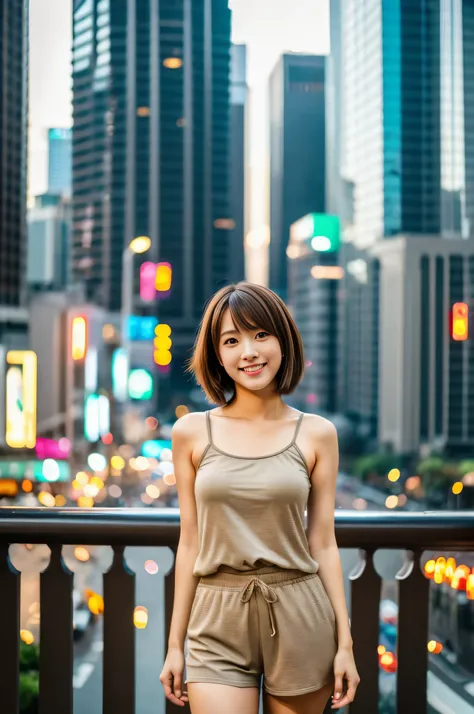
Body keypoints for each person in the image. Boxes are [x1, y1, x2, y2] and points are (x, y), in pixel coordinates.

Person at [160, 282, 359, 713]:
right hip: (216, 616)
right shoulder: (191, 432)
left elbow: (323, 542)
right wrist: (175, 645)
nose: (248, 351)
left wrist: (345, 643)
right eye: (231, 340)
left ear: (283, 340)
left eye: (260, 334)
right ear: (217, 355)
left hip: (300, 613)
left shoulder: (318, 433)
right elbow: (190, 543)